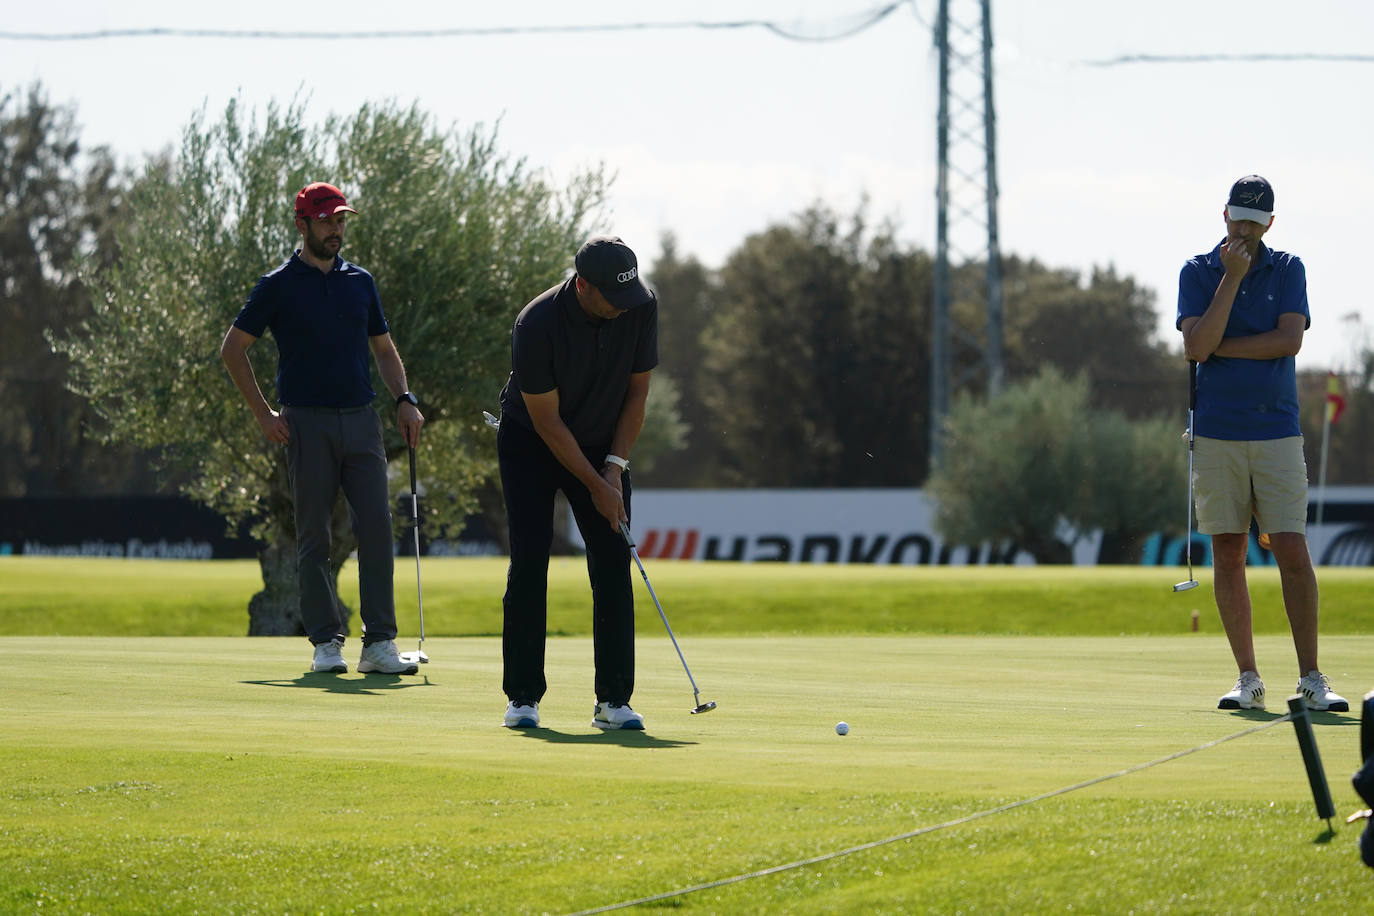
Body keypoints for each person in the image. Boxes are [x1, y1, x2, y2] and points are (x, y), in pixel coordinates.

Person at [220, 181, 425, 676]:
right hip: (305, 423)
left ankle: (378, 644)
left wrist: (404, 398)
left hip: (362, 421)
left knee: (376, 528)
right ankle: (326, 644)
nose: (336, 229)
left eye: (340, 220)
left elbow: (383, 348)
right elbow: (233, 349)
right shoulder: (277, 285)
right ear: (302, 224)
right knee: (314, 536)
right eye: (327, 220)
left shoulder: (361, 282)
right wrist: (264, 414)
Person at [1177, 174, 1347, 712]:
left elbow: (1290, 340)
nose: (1246, 228)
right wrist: (1231, 281)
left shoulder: (1290, 268)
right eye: (1238, 217)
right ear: (1223, 215)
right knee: (1228, 552)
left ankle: (1312, 678)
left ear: (1270, 221)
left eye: (1256, 220)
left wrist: (1222, 344)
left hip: (1275, 429)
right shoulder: (1199, 272)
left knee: (1291, 550)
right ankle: (1247, 678)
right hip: (1217, 432)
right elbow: (1197, 348)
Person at [496, 236, 658, 730]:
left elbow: (637, 396)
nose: (623, 307)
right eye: (613, 297)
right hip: (531, 440)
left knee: (612, 562)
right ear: (582, 286)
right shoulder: (537, 323)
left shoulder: (639, 306)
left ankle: (613, 701)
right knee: (530, 559)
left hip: (601, 442)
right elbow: (547, 423)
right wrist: (594, 484)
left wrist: (613, 468)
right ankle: (523, 697)